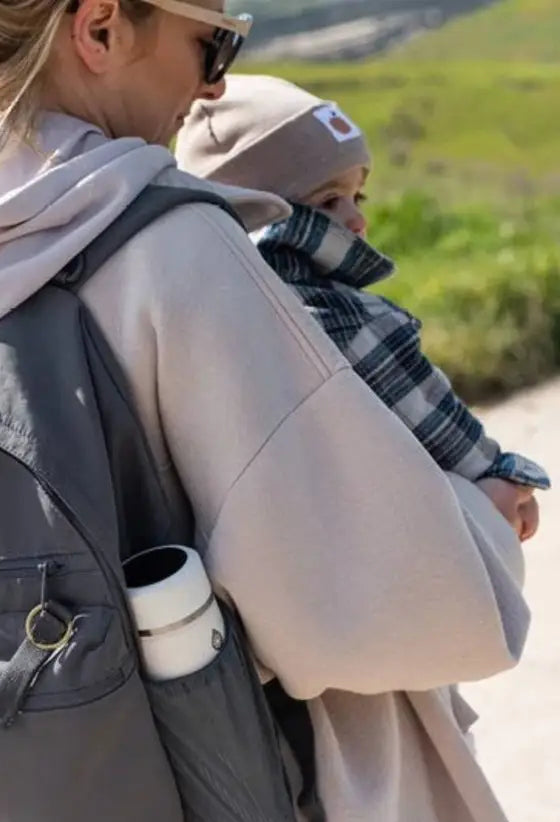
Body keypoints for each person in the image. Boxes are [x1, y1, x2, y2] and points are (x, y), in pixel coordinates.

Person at [0, 1, 560, 822]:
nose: (212, 88)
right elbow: (381, 599)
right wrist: (475, 515)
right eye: (215, 42)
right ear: (101, 28)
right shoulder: (169, 248)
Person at [175, 74, 549, 545]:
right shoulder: (326, 310)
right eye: (329, 200)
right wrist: (495, 480)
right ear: (262, 212)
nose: (357, 218)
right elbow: (427, 417)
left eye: (358, 196)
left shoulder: (202, 303)